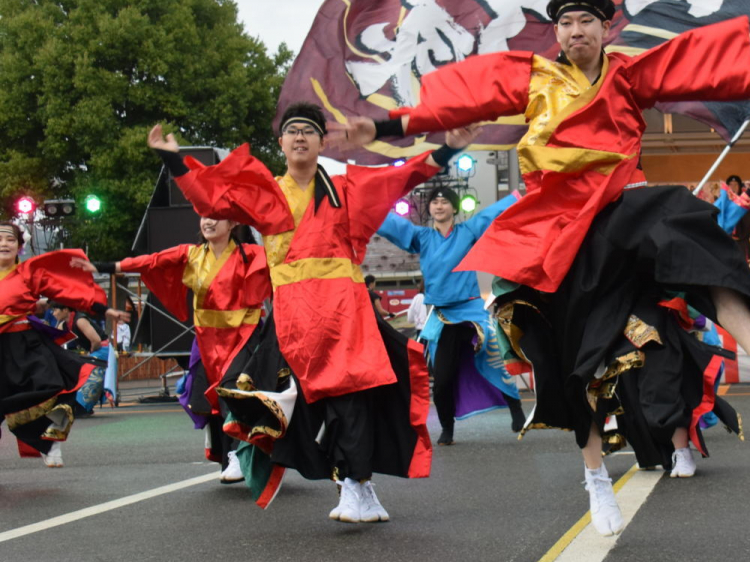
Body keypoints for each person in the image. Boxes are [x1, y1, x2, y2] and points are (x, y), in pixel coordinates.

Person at [332, 0, 750, 536]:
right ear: (556, 31)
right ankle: (596, 479)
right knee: (578, 364)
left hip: (622, 209)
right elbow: (461, 99)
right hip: (564, 232)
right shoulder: (534, 78)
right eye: (565, 23)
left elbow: (707, 72)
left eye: (586, 21)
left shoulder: (627, 75)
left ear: (606, 28)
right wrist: (384, 127)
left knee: (691, 232)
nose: (575, 31)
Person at [147, 103, 475, 523]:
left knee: (351, 397)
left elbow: (404, 176)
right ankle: (356, 483)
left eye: (308, 131)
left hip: (346, 313)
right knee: (312, 407)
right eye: (292, 131)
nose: (300, 137)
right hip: (296, 320)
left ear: (322, 142)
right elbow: (210, 197)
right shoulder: (265, 193)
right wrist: (173, 159)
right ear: (281, 143)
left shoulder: (346, 189)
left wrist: (449, 149)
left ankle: (355, 485)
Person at [78, 217, 271, 484]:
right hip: (208, 340)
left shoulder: (251, 254)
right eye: (205, 216)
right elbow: (151, 262)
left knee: (233, 388)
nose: (209, 222)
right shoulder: (191, 254)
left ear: (232, 223)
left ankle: (240, 452)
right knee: (209, 400)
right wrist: (104, 266)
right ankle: (231, 456)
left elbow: (283, 262)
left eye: (216, 217)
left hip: (243, 336)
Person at [377, 183, 527, 445]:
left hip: (472, 312)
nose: (439, 206)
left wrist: (518, 196)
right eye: (435, 202)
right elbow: (396, 226)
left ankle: (515, 407)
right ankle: (447, 427)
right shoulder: (422, 237)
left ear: (454, 208)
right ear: (430, 208)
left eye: (445, 202)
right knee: (443, 379)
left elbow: (490, 215)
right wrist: (370, 209)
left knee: (493, 361)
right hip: (443, 317)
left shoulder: (467, 231)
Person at [0, 221, 127, 468]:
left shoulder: (28, 273)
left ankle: (49, 440)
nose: (4, 244)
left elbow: (67, 292)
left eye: (10, 240)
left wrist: (103, 309)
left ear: (19, 246)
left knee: (49, 388)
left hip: (24, 344)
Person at [713, 172, 750, 265]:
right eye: (730, 185)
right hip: (725, 244)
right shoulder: (721, 205)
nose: (733, 188)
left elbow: (740, 213)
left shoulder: (744, 205)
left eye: (735, 185)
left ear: (740, 187)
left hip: (741, 243)